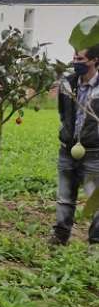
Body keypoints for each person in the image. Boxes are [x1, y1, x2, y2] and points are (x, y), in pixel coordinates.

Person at [51, 44, 99, 246]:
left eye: (80, 59)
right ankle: (60, 236)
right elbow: (64, 113)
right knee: (64, 198)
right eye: (75, 59)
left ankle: (95, 241)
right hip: (68, 149)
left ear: (95, 61)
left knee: (95, 200)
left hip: (94, 152)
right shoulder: (68, 84)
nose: (75, 63)